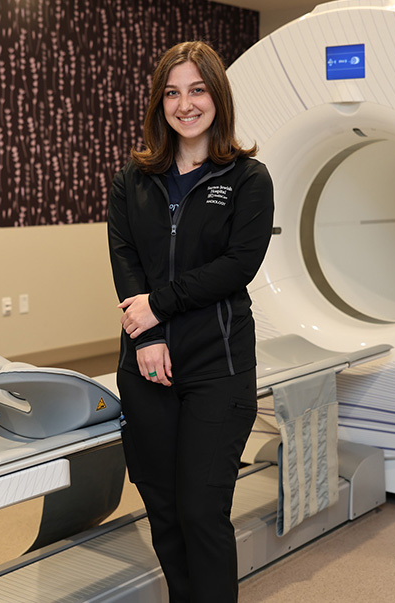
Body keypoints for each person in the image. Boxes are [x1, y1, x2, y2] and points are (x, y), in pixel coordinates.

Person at [106, 40, 274, 603]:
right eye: (173, 92)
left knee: (202, 512)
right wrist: (147, 333)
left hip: (217, 366)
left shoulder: (248, 179)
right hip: (145, 365)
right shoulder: (133, 178)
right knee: (165, 512)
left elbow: (237, 266)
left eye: (197, 90)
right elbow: (124, 255)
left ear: (217, 97)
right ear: (160, 102)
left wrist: (160, 305)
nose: (185, 104)